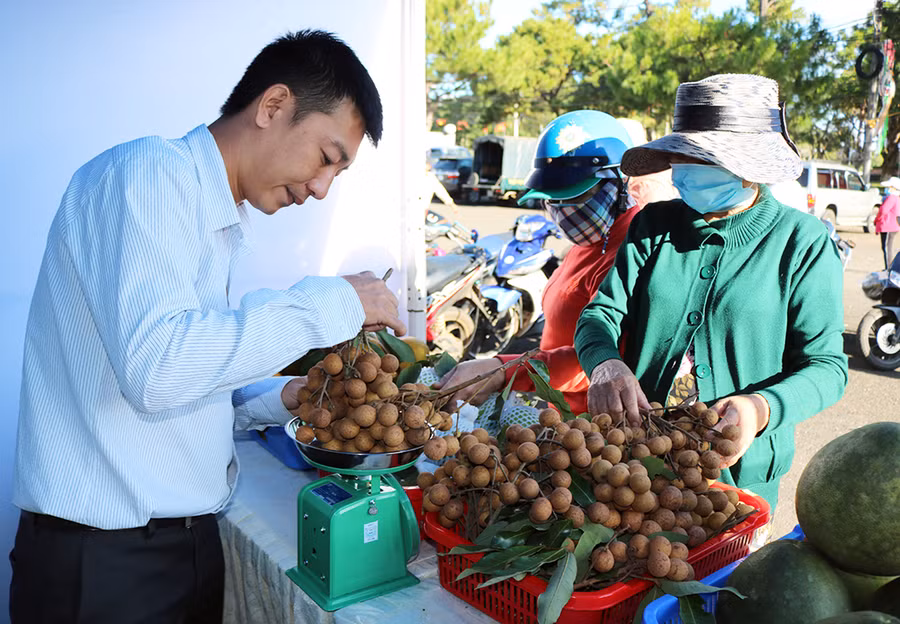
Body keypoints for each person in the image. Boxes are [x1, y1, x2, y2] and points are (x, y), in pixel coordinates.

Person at [10, 30, 405, 624]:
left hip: (175, 550)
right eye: (327, 159)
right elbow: (159, 368)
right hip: (106, 568)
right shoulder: (147, 175)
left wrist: (282, 398)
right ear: (272, 107)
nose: (322, 189)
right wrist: (330, 302)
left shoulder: (212, 216)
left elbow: (184, 372)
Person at [574, 73, 848, 511]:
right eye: (685, 157)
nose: (687, 170)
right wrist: (605, 364)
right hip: (635, 465)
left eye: (706, 159)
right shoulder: (653, 225)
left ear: (749, 167)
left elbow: (828, 368)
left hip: (737, 481)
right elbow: (599, 315)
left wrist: (760, 408)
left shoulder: (802, 242)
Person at [433, 111, 676, 414]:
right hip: (562, 419)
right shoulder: (586, 242)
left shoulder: (631, 253)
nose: (561, 209)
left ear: (620, 184)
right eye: (552, 198)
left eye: (573, 195)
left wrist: (500, 370)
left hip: (599, 432)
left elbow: (594, 361)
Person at [875, 176, 900, 269]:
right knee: (888, 247)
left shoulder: (892, 198)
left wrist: (877, 219)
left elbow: (884, 210)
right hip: (893, 226)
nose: (887, 189)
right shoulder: (896, 198)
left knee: (886, 248)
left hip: (889, 226)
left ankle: (888, 268)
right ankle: (889, 267)